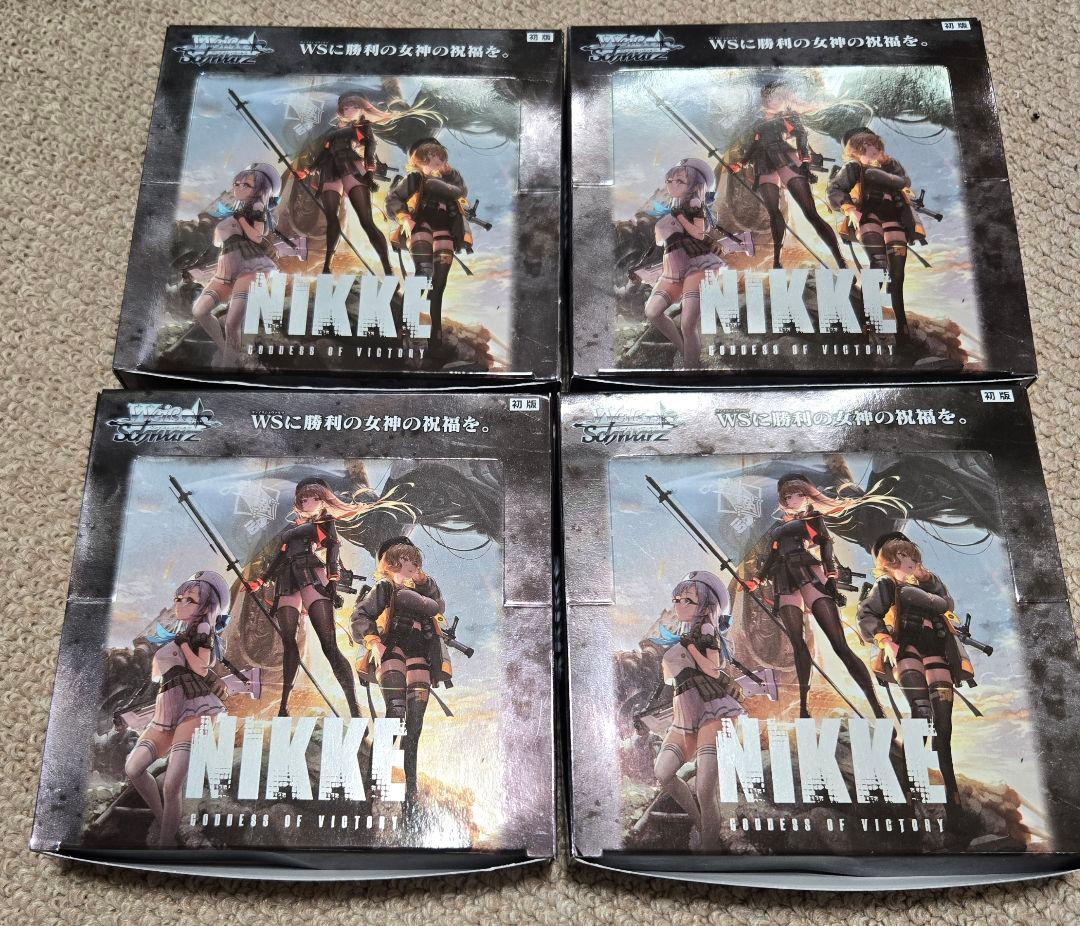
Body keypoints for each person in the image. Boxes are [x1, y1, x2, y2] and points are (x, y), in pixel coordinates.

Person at [251, 478, 412, 718]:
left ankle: (354, 709)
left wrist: (333, 582)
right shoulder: (288, 528)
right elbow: (280, 557)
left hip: (311, 575)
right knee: (288, 643)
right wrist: (261, 580)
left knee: (329, 646)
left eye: (313, 497)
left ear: (323, 500)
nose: (306, 501)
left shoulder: (325, 522)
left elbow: (333, 551)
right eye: (303, 498)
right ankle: (284, 706)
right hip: (286, 580)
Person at [747, 473, 904, 719]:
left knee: (839, 645)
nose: (791, 500)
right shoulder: (776, 529)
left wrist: (830, 577)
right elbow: (773, 557)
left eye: (797, 494)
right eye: (787, 497)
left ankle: (876, 706)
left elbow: (826, 546)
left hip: (808, 572)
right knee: (798, 645)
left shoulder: (812, 519)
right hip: (784, 580)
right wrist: (757, 580)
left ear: (807, 495)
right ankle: (804, 706)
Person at [858, 532, 974, 806]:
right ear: (888, 561)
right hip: (907, 648)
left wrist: (926, 577)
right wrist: (884, 640)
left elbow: (947, 603)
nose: (910, 561)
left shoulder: (928, 585)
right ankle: (911, 789)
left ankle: (952, 796)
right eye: (902, 557)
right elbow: (867, 613)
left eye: (912, 556)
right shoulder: (887, 585)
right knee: (922, 713)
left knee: (943, 724)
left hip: (936, 649)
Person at [634, 571, 743, 849]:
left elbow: (713, 669)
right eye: (677, 599)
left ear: (706, 605)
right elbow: (670, 682)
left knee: (705, 789)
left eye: (688, 600)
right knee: (663, 772)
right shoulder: (683, 634)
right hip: (684, 712)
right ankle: (702, 826)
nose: (679, 604)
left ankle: (709, 848)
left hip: (712, 711)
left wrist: (691, 648)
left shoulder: (706, 631)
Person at [123, 571, 231, 847]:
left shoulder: (202, 629)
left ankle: (164, 844)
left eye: (190, 599)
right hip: (166, 708)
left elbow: (201, 668)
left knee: (172, 785)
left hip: (195, 708)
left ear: (206, 605)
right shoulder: (179, 633)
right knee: (134, 768)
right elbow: (158, 678)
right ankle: (166, 824)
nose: (180, 603)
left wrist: (182, 644)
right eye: (178, 598)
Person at [351, 537, 451, 805]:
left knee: (415, 725)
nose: (411, 567)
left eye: (414, 562)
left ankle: (411, 791)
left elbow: (438, 607)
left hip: (420, 654)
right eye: (404, 561)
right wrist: (373, 641)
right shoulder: (384, 588)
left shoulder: (425, 592)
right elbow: (360, 615)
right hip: (392, 649)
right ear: (390, 564)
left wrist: (424, 582)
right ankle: (371, 785)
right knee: (395, 714)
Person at [734, 82, 846, 269]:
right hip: (764, 163)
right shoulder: (757, 121)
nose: (773, 100)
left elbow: (801, 134)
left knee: (810, 212)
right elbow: (755, 144)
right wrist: (741, 163)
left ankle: (840, 260)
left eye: (778, 96)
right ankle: (777, 260)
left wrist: (804, 154)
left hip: (785, 157)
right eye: (770, 96)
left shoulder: (787, 116)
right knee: (773, 212)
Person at [828, 130, 925, 339]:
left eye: (875, 146)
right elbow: (835, 189)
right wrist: (849, 209)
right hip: (868, 216)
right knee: (879, 265)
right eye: (866, 146)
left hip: (894, 218)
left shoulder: (892, 166)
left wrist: (907, 196)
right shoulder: (854, 168)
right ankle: (866, 324)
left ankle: (902, 329)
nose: (873, 150)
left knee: (897, 274)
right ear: (857, 150)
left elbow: (904, 185)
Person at [637, 158, 728, 369]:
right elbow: (661, 243)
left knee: (688, 324)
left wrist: (679, 217)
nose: (672, 185)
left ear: (695, 186)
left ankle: (690, 368)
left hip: (697, 264)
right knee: (652, 312)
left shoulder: (694, 204)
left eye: (679, 181)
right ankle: (686, 352)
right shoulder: (672, 205)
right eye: (670, 180)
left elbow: (699, 233)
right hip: (673, 264)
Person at [385, 138, 472, 350]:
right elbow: (393, 198)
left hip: (445, 231)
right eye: (431, 160)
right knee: (424, 274)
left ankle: (435, 336)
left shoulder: (452, 181)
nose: (436, 164)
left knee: (439, 285)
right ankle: (403, 327)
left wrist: (448, 174)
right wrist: (404, 218)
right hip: (421, 226)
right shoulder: (416, 178)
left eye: (439, 160)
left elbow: (461, 191)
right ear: (420, 161)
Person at [190, 163, 281, 366]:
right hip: (227, 264)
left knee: (232, 324)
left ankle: (229, 365)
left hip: (249, 265)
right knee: (199, 311)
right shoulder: (236, 209)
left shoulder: (256, 207)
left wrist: (239, 220)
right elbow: (217, 242)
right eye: (237, 183)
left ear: (260, 189)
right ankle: (227, 353)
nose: (239, 187)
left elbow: (257, 237)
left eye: (246, 185)